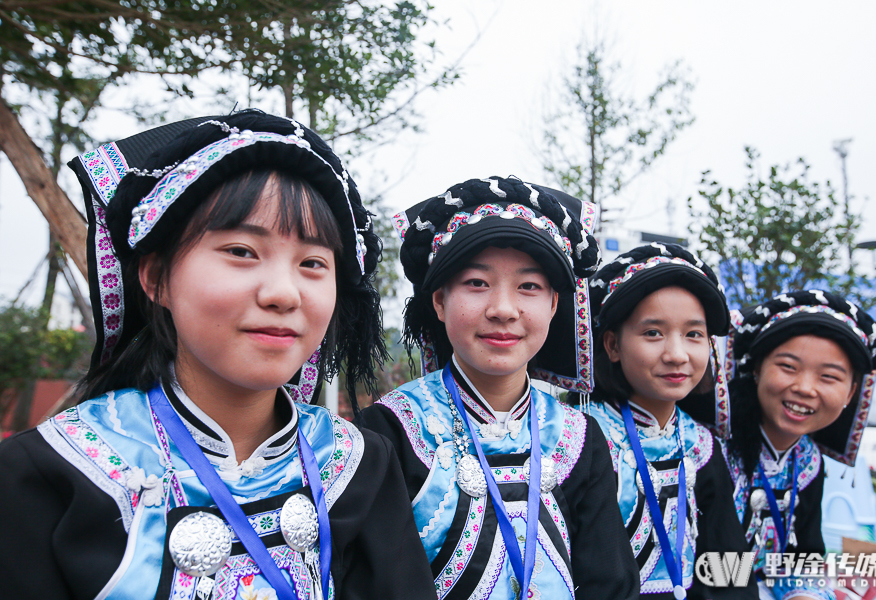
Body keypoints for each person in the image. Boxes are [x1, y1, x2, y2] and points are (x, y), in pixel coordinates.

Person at [0, 110, 434, 599]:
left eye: (313, 262)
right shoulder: (46, 475)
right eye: (242, 251)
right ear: (155, 278)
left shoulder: (358, 464)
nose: (283, 293)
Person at [355, 176, 640, 600]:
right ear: (438, 300)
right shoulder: (388, 431)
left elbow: (611, 585)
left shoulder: (580, 438)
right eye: (476, 283)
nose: (503, 310)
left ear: (554, 304)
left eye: (529, 286)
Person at [585, 243, 756, 600]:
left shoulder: (703, 447)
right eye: (653, 333)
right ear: (613, 345)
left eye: (693, 335)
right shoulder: (582, 439)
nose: (677, 354)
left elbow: (728, 562)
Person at [724, 290, 876, 600]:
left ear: (851, 392)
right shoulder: (710, 451)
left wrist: (803, 593)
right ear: (757, 368)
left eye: (828, 376)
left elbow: (805, 558)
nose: (804, 388)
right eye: (788, 367)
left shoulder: (808, 461)